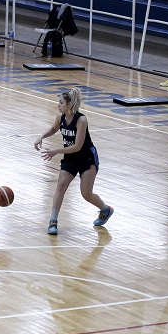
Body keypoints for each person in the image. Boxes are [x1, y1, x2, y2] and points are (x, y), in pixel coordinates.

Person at [34, 87, 113, 235]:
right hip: (71, 157)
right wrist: (41, 137)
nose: (58, 105)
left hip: (86, 158)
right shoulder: (61, 117)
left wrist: (56, 151)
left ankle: (105, 209)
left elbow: (77, 146)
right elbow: (53, 129)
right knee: (61, 185)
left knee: (86, 194)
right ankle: (53, 221)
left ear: (70, 105)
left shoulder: (81, 120)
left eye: (61, 102)